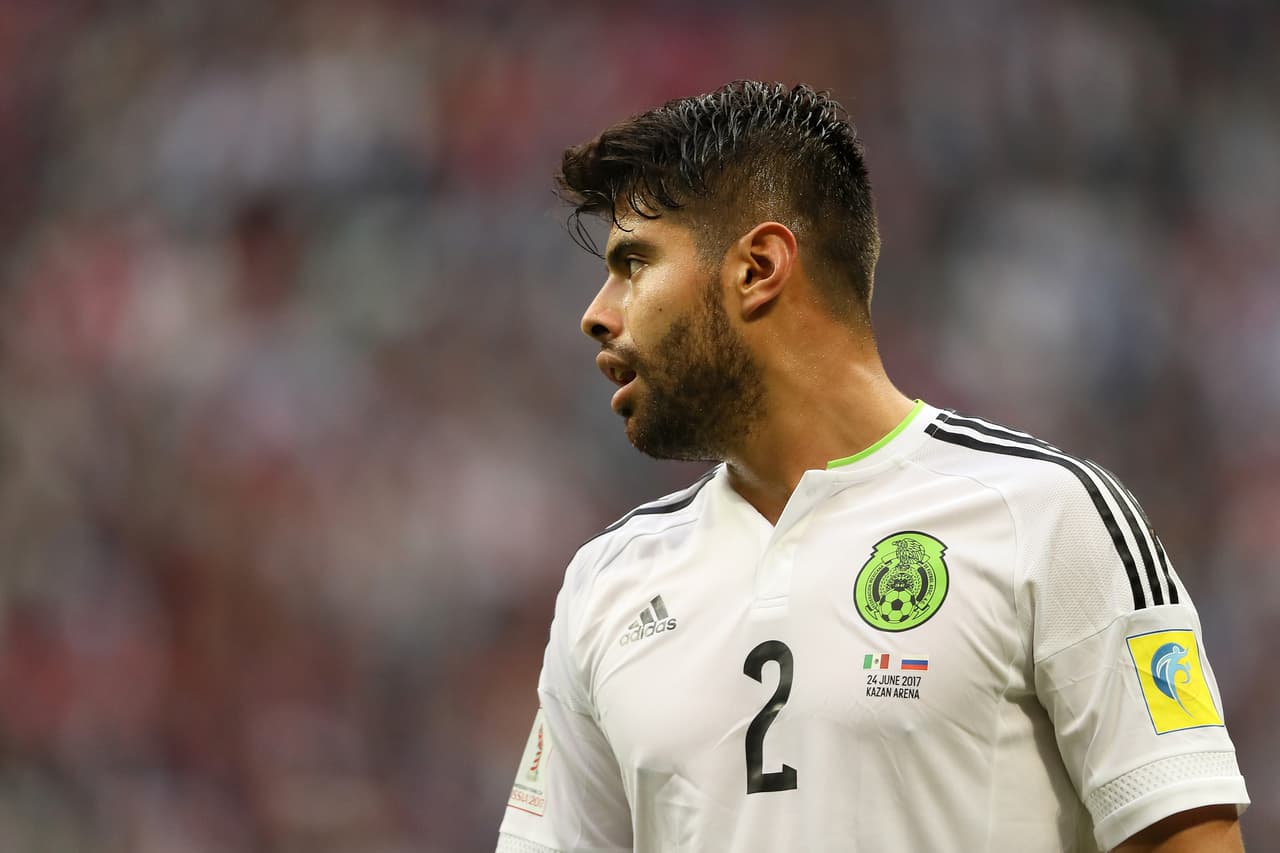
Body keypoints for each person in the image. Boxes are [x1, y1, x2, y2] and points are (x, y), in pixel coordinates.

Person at [495, 81, 1249, 853]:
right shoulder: (606, 583)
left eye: (634, 263)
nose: (597, 313)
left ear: (758, 265)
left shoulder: (1047, 517)